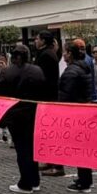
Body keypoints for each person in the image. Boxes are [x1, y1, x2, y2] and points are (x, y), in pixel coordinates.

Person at [0, 44, 46, 193]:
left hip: (15, 115)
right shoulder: (37, 70)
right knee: (31, 147)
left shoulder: (6, 72)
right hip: (34, 113)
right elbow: (44, 90)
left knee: (22, 149)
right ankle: (35, 181)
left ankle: (25, 183)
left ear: (13, 57)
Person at [59, 43, 96, 192]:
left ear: (70, 54)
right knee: (83, 147)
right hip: (84, 110)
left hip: (75, 113)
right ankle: (86, 178)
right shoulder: (83, 67)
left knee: (79, 148)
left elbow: (65, 95)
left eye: (65, 53)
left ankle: (83, 182)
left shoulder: (72, 71)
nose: (63, 56)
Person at [34, 31, 63, 176]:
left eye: (37, 38)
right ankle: (50, 161)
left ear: (43, 41)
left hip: (48, 97)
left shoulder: (46, 55)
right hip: (47, 96)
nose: (35, 40)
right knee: (47, 133)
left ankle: (57, 166)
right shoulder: (48, 53)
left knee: (51, 133)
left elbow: (41, 77)